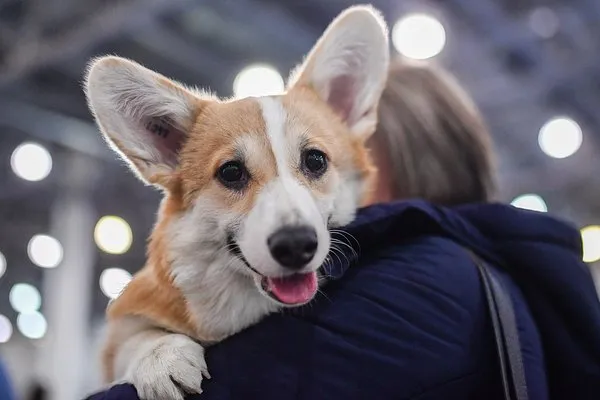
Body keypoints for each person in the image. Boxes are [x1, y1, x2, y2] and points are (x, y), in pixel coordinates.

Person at [85, 61, 600, 400]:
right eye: (236, 173)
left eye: (313, 162)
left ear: (373, 159)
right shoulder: (488, 269)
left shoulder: (420, 281)